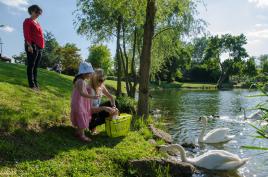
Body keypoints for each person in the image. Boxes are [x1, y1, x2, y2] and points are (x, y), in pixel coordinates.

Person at [71, 62, 99, 142]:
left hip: (80, 103)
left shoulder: (82, 81)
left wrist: (89, 90)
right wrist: (92, 96)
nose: (90, 75)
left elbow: (83, 90)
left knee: (81, 116)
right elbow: (81, 93)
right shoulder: (80, 81)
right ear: (84, 73)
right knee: (81, 117)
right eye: (89, 73)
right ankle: (82, 135)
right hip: (78, 103)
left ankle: (78, 132)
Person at [88, 69, 119, 134]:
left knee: (115, 103)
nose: (102, 82)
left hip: (97, 109)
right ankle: (92, 126)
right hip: (89, 114)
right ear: (94, 79)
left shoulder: (101, 86)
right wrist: (104, 108)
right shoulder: (90, 89)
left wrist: (113, 106)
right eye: (100, 80)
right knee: (103, 111)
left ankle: (112, 126)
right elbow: (90, 109)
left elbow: (111, 97)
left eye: (103, 80)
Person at [23, 5, 45, 90]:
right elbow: (26, 33)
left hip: (40, 47)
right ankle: (31, 85)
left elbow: (40, 35)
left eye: (39, 13)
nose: (38, 14)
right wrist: (29, 45)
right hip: (32, 45)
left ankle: (36, 84)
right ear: (31, 11)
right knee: (31, 65)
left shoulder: (38, 23)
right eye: (36, 12)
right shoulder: (27, 21)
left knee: (36, 66)